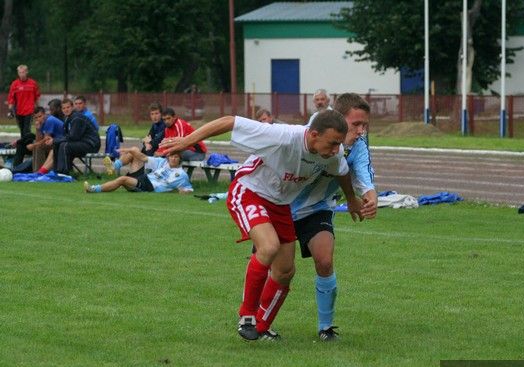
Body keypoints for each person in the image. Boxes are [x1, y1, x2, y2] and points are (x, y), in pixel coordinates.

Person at [161, 110, 366, 341]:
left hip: (280, 204)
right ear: (314, 134)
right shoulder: (283, 136)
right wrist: (186, 141)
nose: (337, 149)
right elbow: (229, 121)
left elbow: (342, 172)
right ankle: (247, 316)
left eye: (339, 143)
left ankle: (261, 326)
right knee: (269, 247)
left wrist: (352, 199)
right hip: (250, 191)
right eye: (333, 143)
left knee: (286, 271)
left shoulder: (332, 155)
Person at [292, 93, 377, 341]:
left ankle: (326, 328)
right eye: (356, 124)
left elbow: (364, 175)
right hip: (281, 205)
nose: (361, 131)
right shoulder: (312, 133)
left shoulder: (358, 145)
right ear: (338, 119)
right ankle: (253, 319)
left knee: (325, 261)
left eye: (365, 125)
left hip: (318, 208)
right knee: (278, 268)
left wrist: (371, 198)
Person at [85, 148, 192, 194]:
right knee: (133, 152)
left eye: (176, 157)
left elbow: (188, 189)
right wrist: (130, 150)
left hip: (150, 186)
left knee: (122, 179)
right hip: (144, 178)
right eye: (171, 156)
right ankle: (113, 167)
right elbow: (144, 158)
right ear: (168, 157)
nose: (173, 159)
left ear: (180, 159)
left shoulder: (181, 174)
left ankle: (94, 189)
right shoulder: (163, 162)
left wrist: (184, 192)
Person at [52, 98, 100, 175]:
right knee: (57, 144)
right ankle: (57, 172)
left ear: (72, 107)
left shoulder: (76, 118)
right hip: (82, 142)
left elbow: (73, 137)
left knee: (65, 146)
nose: (66, 110)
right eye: (64, 108)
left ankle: (64, 173)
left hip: (91, 144)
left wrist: (54, 140)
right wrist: (55, 141)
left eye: (68, 107)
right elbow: (67, 136)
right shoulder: (68, 118)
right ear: (61, 109)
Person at [7, 65, 41, 139]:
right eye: (20, 72)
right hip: (18, 111)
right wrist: (10, 110)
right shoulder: (14, 84)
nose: (21, 74)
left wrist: (38, 109)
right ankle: (24, 144)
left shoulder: (33, 83)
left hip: (29, 111)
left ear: (26, 72)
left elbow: (37, 97)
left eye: (23, 72)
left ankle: (27, 145)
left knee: (26, 130)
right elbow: (11, 98)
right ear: (18, 73)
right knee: (22, 130)